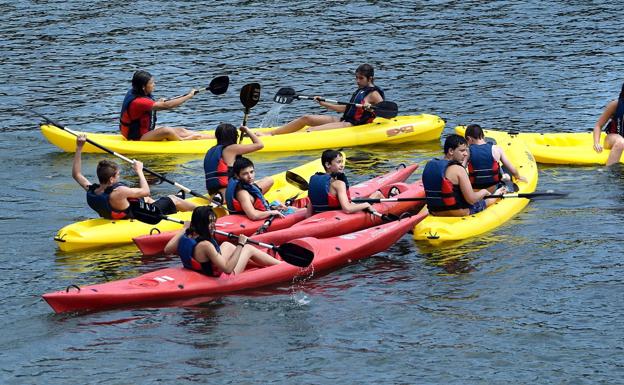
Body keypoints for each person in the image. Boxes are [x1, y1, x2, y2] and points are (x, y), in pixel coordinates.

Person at [72, 135, 196, 220]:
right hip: (140, 217)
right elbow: (146, 190)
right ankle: (204, 212)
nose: (119, 177)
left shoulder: (92, 190)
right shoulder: (119, 192)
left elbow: (76, 174)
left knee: (146, 199)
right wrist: (139, 171)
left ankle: (173, 205)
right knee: (172, 198)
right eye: (118, 175)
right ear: (111, 179)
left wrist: (79, 147)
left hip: (120, 212)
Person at [263, 64, 384, 135]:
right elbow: (347, 109)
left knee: (310, 131)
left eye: (361, 78)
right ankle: (271, 134)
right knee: (306, 118)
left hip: (352, 125)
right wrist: (324, 104)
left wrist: (372, 109)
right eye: (356, 78)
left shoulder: (374, 94)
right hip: (344, 119)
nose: (357, 81)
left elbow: (386, 111)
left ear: (370, 78)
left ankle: (278, 140)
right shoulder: (361, 89)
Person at [164, 206, 281, 276]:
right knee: (248, 248)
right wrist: (241, 244)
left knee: (227, 244)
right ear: (200, 224)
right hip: (222, 277)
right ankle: (282, 266)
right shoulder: (205, 245)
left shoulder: (188, 233)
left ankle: (262, 262)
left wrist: (184, 228)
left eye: (213, 222)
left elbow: (167, 249)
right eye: (209, 223)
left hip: (198, 268)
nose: (213, 226)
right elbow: (228, 270)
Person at [422, 134, 507, 217]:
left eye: (466, 150)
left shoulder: (429, 165)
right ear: (451, 151)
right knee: (484, 201)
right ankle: (498, 193)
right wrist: (484, 191)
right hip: (459, 213)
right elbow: (471, 200)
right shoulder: (458, 169)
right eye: (462, 150)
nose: (466, 154)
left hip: (435, 212)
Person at [119, 70, 214, 141]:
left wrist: (158, 103)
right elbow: (168, 105)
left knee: (181, 131)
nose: (154, 85)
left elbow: (147, 108)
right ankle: (184, 140)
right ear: (143, 87)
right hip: (136, 136)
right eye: (151, 83)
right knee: (166, 131)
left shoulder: (135, 92)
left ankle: (214, 137)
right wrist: (189, 96)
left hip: (143, 129)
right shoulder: (138, 101)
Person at [307, 149, 383, 216]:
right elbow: (347, 209)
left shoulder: (314, 181)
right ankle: (378, 196)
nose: (342, 165)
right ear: (327, 164)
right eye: (338, 162)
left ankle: (377, 195)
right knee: (375, 195)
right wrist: (366, 205)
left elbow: (309, 212)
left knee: (370, 197)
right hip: (335, 215)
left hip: (324, 214)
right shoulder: (339, 184)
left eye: (342, 162)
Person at [204, 123, 264, 199]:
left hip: (213, 194)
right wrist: (247, 130)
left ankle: (220, 198)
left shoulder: (210, 151)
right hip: (230, 194)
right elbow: (260, 145)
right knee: (268, 181)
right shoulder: (232, 148)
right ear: (234, 136)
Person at [464, 124, 527, 192]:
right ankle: (506, 185)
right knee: (504, 168)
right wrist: (518, 177)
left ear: (469, 139)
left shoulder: (467, 152)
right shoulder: (496, 149)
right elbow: (513, 170)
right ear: (483, 136)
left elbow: (461, 168)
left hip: (475, 189)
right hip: (494, 188)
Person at [593, 82, 624, 166]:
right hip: (613, 139)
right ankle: (608, 172)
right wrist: (596, 143)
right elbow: (598, 126)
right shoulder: (615, 105)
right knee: (621, 142)